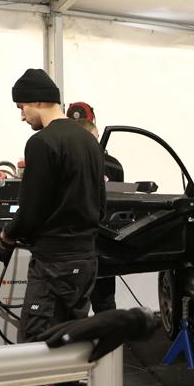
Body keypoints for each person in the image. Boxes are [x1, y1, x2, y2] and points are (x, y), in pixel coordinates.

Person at [0, 69, 106, 386]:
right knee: (72, 357)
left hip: (53, 265)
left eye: (21, 107)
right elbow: (99, 204)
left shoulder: (42, 142)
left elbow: (31, 209)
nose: (21, 116)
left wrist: (6, 238)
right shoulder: (88, 141)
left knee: (37, 359)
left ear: (35, 101)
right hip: (84, 261)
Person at [67, 101, 121, 313]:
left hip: (84, 244)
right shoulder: (112, 164)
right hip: (93, 244)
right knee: (98, 305)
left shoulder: (60, 156)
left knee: (82, 306)